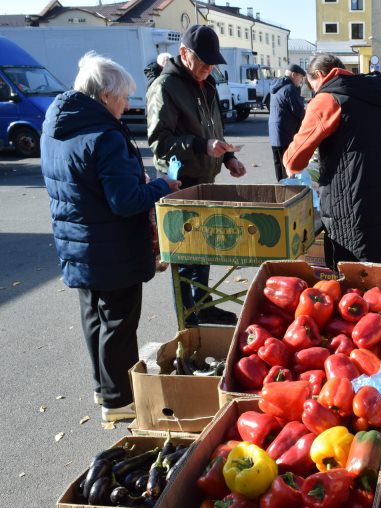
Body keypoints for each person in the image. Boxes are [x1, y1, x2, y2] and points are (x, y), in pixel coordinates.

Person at [41, 52, 182, 422]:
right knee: (119, 321)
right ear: (105, 96)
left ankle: (103, 388)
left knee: (94, 317)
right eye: (122, 99)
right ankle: (119, 400)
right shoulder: (104, 137)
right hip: (112, 246)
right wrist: (162, 186)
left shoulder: (55, 129)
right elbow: (126, 201)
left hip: (77, 241)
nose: (126, 106)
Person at [282, 53, 381, 363]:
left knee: (355, 275)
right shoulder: (376, 93)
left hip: (351, 202)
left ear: (317, 76)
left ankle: (365, 352)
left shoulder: (328, 98)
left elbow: (293, 160)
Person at [147, 24, 246, 326]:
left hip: (205, 177)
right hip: (179, 182)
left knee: (204, 249)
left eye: (211, 62)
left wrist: (228, 156)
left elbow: (214, 128)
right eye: (202, 62)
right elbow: (159, 142)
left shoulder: (209, 83)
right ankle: (188, 314)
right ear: (183, 54)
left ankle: (202, 305)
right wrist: (203, 145)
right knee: (187, 253)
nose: (207, 68)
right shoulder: (165, 87)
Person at [268, 64, 306, 181]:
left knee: (279, 166)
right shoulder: (290, 88)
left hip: (275, 133)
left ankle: (280, 190)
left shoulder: (276, 86)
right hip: (286, 133)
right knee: (288, 167)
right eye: (300, 77)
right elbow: (299, 111)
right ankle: (288, 193)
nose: (301, 81)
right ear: (294, 75)